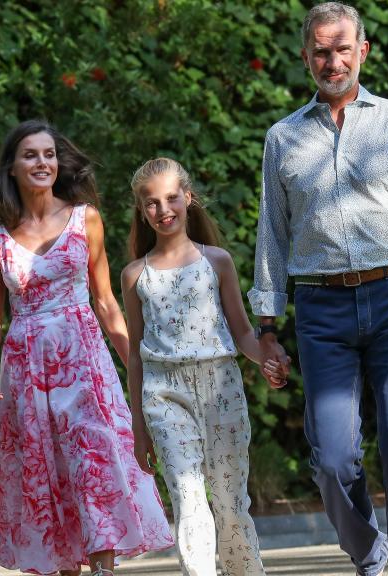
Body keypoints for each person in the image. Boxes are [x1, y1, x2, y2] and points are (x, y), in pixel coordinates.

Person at [249, 4, 388, 576]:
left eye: (342, 48)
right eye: (321, 51)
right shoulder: (283, 138)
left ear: (363, 51)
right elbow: (272, 238)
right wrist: (268, 329)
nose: (333, 60)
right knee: (331, 458)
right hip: (321, 309)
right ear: (305, 58)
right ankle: (369, 551)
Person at [0, 120, 173, 576]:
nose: (42, 162)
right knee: (47, 479)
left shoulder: (85, 219)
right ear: (12, 167)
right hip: (26, 372)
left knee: (93, 464)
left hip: (84, 364)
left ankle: (103, 569)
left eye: (48, 154)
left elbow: (106, 303)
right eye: (30, 155)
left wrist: (140, 372)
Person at [120, 158, 286, 576]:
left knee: (230, 504)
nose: (163, 210)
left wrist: (268, 358)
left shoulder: (217, 262)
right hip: (164, 392)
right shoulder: (134, 275)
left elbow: (243, 334)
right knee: (189, 498)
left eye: (171, 198)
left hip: (220, 387)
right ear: (142, 211)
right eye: (151, 203)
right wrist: (138, 427)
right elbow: (136, 356)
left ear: (188, 198)